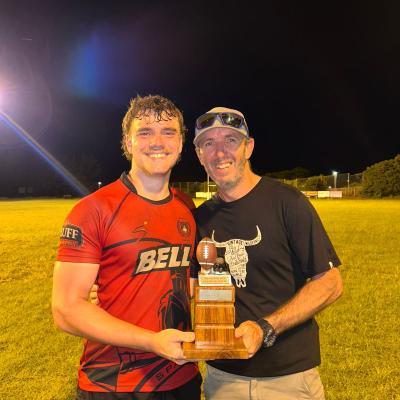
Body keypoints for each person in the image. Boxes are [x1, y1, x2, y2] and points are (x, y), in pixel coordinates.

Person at [52, 95, 201, 400]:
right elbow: (66, 310)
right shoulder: (93, 209)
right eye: (145, 132)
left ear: (181, 143)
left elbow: (191, 286)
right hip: (113, 383)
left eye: (168, 132)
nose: (157, 142)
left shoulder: (187, 207)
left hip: (182, 377)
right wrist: (151, 341)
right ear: (128, 142)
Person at [192, 107, 343, 400]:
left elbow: (330, 282)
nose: (220, 152)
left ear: (248, 147)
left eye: (230, 140)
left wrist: (265, 328)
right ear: (199, 155)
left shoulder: (287, 202)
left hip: (288, 378)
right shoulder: (200, 219)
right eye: (208, 143)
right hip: (223, 377)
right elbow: (186, 284)